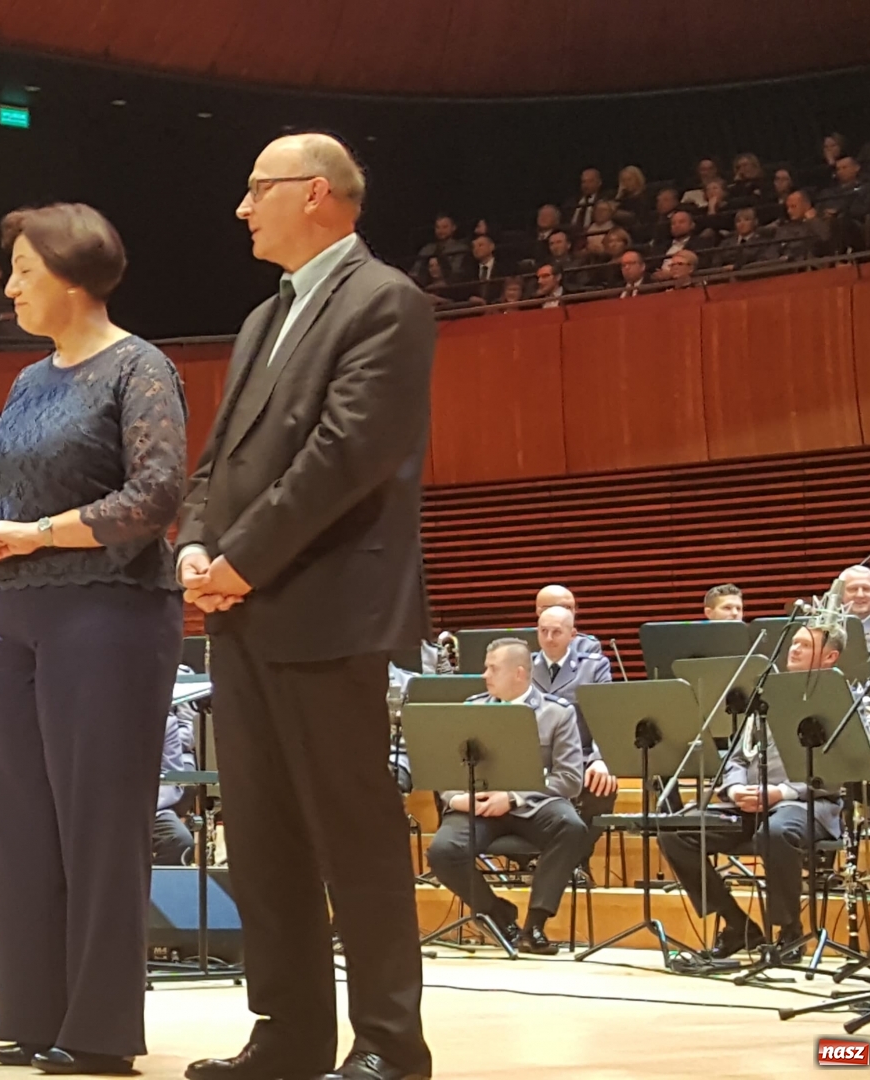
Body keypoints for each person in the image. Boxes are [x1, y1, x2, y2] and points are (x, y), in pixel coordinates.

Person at [177, 133, 433, 1080]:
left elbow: (346, 454)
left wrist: (239, 557)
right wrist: (198, 540)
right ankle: (286, 1036)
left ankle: (389, 1047)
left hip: (328, 607)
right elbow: (218, 459)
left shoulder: (385, 301)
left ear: (317, 194)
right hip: (244, 606)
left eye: (257, 190)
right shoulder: (262, 318)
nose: (242, 209)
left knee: (353, 836)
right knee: (264, 836)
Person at [0, 202, 187, 1077]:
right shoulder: (27, 382)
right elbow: (20, 494)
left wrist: (40, 533)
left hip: (109, 611)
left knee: (97, 819)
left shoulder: (142, 367)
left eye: (21, 270)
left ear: (73, 276)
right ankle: (34, 1011)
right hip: (15, 611)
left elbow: (156, 495)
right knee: (21, 820)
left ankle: (97, 1030)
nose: (7, 286)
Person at [657, 626, 846, 958]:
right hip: (751, 802)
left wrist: (780, 792)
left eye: (805, 645)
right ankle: (737, 926)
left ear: (830, 657)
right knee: (675, 831)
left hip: (805, 804)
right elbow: (738, 755)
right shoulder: (767, 695)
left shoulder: (842, 700)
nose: (795, 649)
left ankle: (789, 931)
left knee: (775, 832)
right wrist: (735, 787)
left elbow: (839, 771)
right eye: (795, 642)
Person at [426, 638, 591, 956]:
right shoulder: (470, 709)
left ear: (518, 673)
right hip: (477, 805)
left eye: (492, 668)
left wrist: (514, 797)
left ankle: (535, 926)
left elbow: (569, 780)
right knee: (442, 851)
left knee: (571, 827)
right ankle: (499, 917)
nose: (484, 675)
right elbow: (444, 769)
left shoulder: (557, 714)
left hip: (534, 805)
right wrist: (454, 798)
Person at [532, 605, 617, 818]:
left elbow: (605, 717)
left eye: (557, 632)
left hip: (579, 758)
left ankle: (575, 851)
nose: (549, 638)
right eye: (543, 631)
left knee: (601, 788)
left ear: (572, 635)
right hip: (532, 760)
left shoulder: (593, 667)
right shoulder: (522, 667)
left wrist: (600, 758)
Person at [153, 698, 198, 866]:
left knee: (180, 841)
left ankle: (150, 891)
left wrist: (145, 808)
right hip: (102, 808)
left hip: (148, 806)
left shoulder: (167, 722)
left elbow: (169, 777)